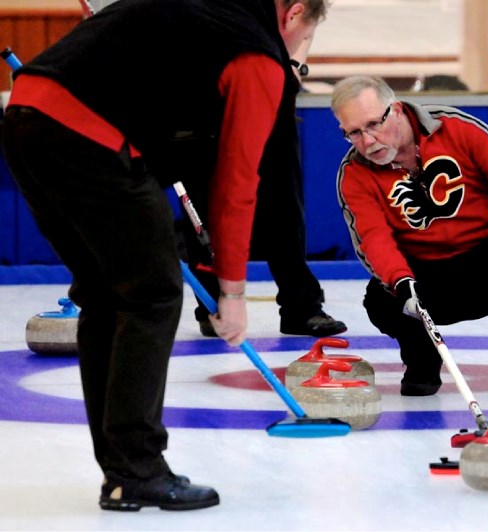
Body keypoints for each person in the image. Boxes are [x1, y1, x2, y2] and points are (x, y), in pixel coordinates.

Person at [1, 0, 329, 512]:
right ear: (293, 13)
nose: (296, 54)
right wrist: (233, 292)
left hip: (26, 115)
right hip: (87, 133)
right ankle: (138, 468)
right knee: (151, 294)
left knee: (107, 296)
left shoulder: (203, 14)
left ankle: (122, 470)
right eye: (304, 40)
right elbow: (238, 184)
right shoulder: (257, 55)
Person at [330, 75, 488, 400]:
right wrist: (400, 281)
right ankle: (422, 364)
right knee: (380, 299)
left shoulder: (454, 127)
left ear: (398, 109)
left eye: (374, 124)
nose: (368, 141)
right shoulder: (354, 173)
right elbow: (372, 239)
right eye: (354, 133)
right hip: (426, 276)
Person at [185, 34, 347, 339]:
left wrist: (295, 62)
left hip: (268, 82)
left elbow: (307, 11)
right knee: (204, 202)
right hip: (205, 87)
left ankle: (302, 306)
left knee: (283, 199)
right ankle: (211, 306)